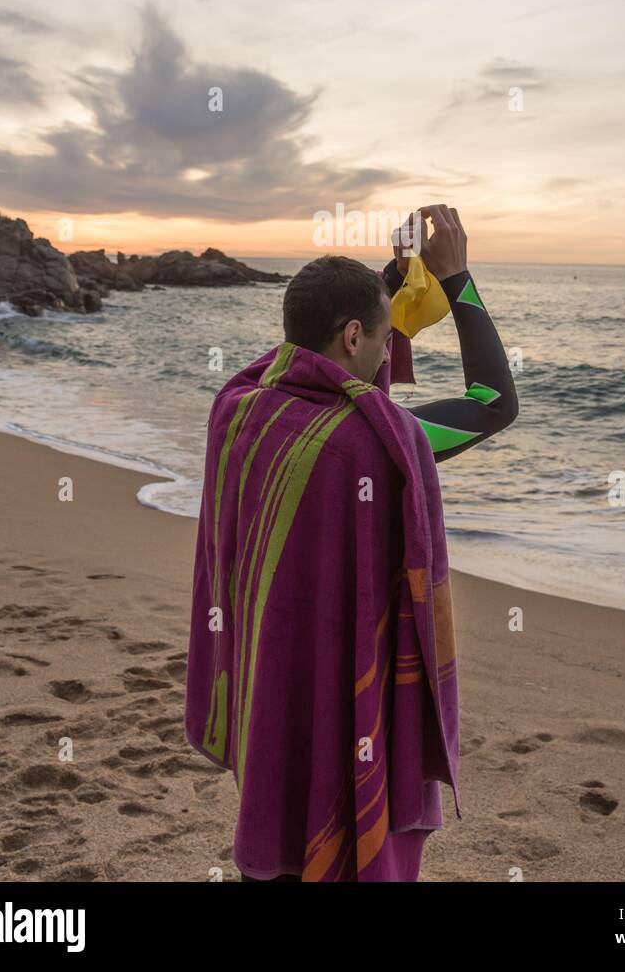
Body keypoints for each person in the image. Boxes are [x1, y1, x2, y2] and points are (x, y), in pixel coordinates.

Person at [184, 205, 518, 881]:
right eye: (386, 336)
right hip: (346, 709)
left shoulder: (240, 409)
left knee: (280, 828)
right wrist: (457, 280)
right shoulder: (375, 445)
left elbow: (321, 366)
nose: (393, 352)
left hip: (270, 696)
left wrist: (391, 280)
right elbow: (492, 402)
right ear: (355, 335)